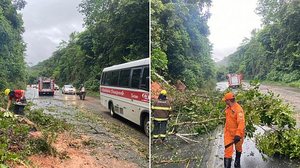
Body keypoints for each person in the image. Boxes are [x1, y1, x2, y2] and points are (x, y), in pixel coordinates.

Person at [222, 92, 245, 168]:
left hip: (237, 135)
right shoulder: (228, 107)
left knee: (238, 149)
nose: (225, 102)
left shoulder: (239, 110)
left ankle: (237, 162)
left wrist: (238, 134)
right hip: (228, 133)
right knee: (227, 152)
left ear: (228, 100)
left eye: (225, 100)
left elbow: (241, 123)